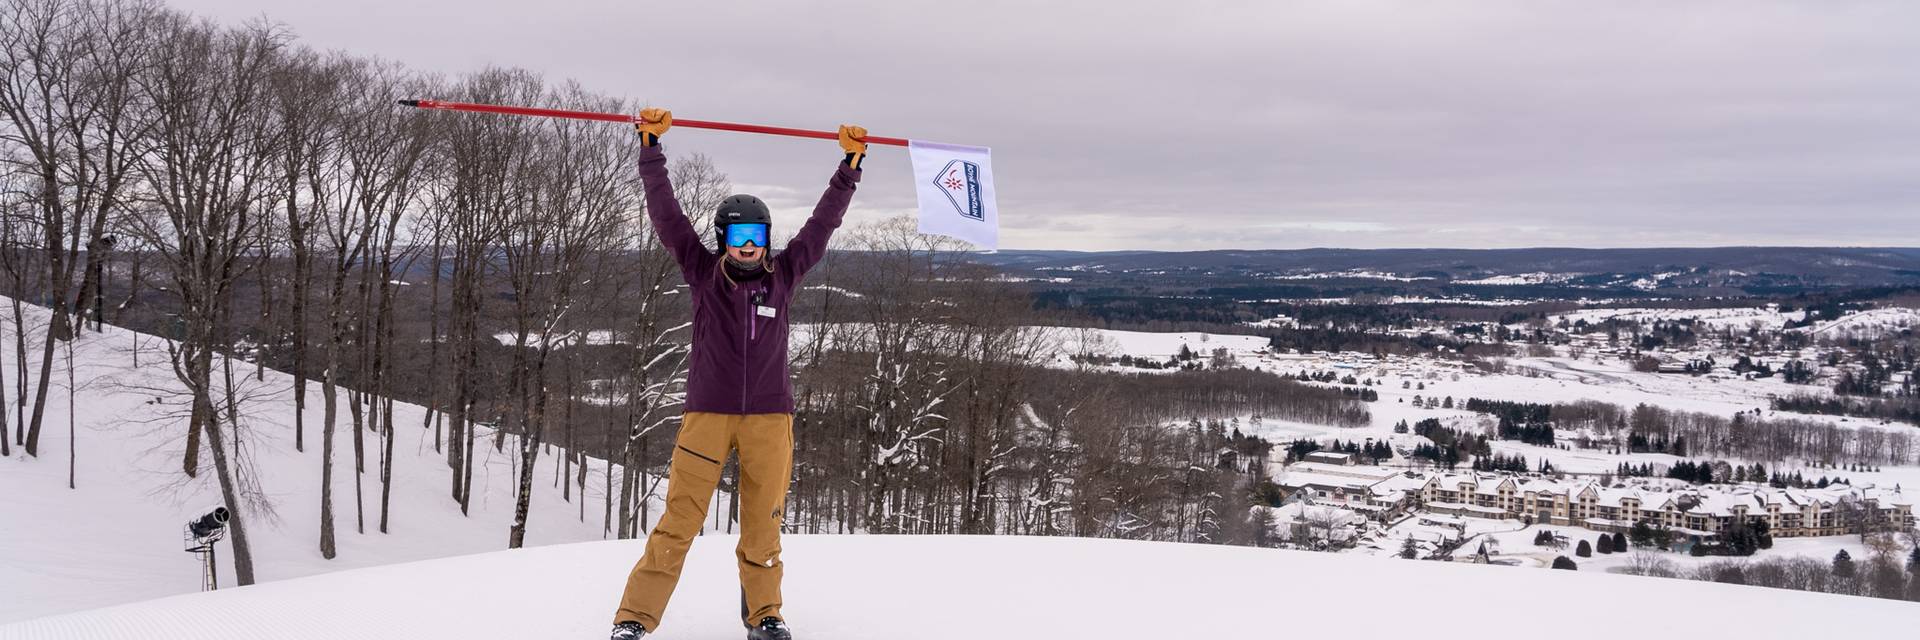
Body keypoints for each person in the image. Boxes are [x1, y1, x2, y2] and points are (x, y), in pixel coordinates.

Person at [609, 107, 865, 640]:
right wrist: (651, 149)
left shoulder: (784, 275)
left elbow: (822, 225)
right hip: (708, 414)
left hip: (770, 419)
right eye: (739, 234)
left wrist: (849, 165)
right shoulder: (704, 275)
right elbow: (667, 217)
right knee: (679, 521)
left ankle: (765, 614)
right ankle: (634, 619)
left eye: (758, 234)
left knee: (763, 524)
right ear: (723, 237)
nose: (749, 244)